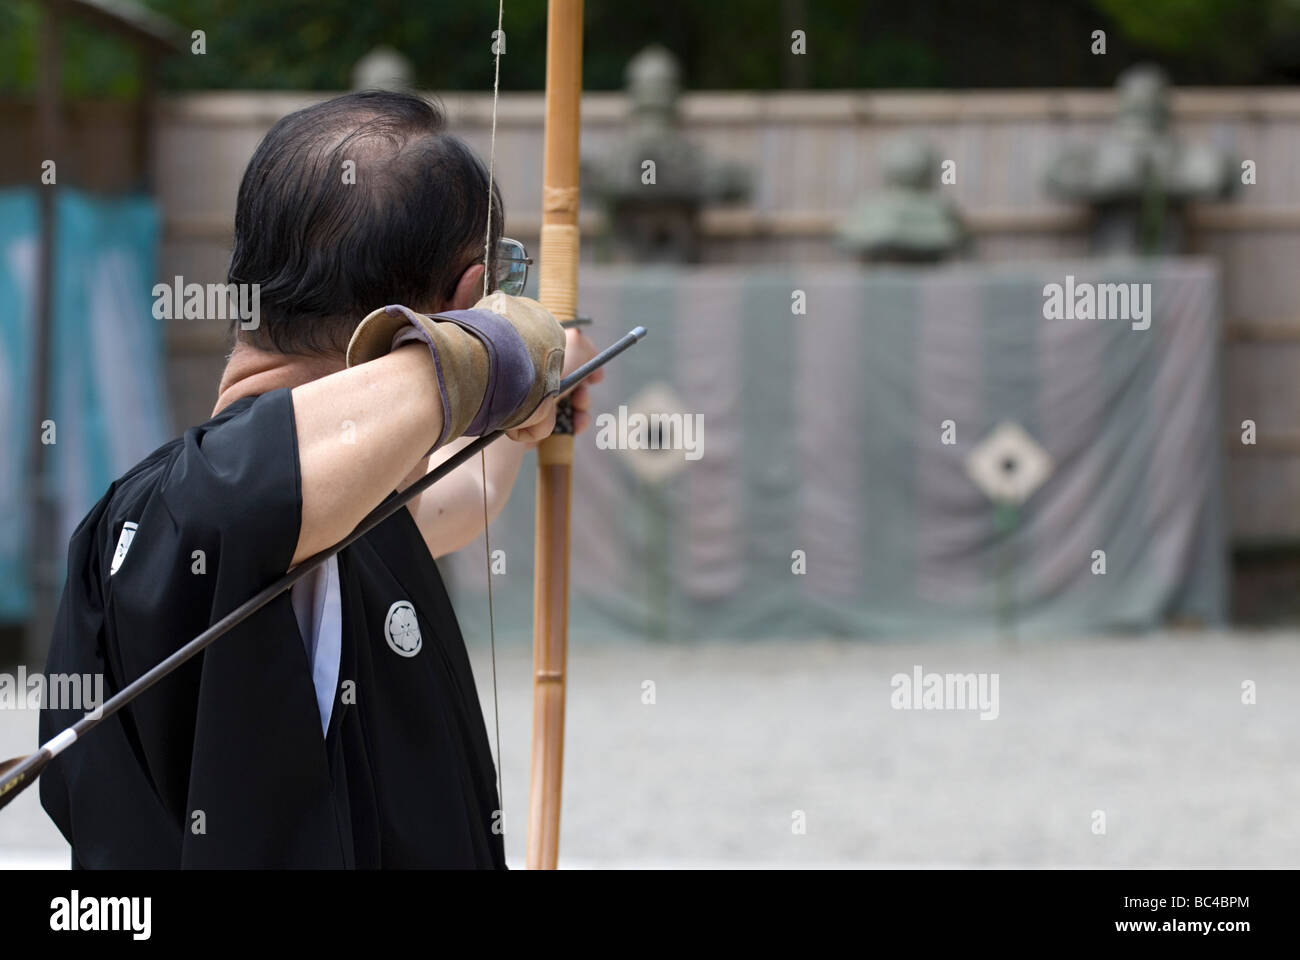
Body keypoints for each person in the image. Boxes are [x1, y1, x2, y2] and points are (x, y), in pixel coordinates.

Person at [37, 90, 603, 868]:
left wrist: (553, 367)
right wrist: (498, 356)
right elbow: (246, 493)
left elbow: (447, 499)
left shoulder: (338, 510)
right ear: (463, 302)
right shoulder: (179, 509)